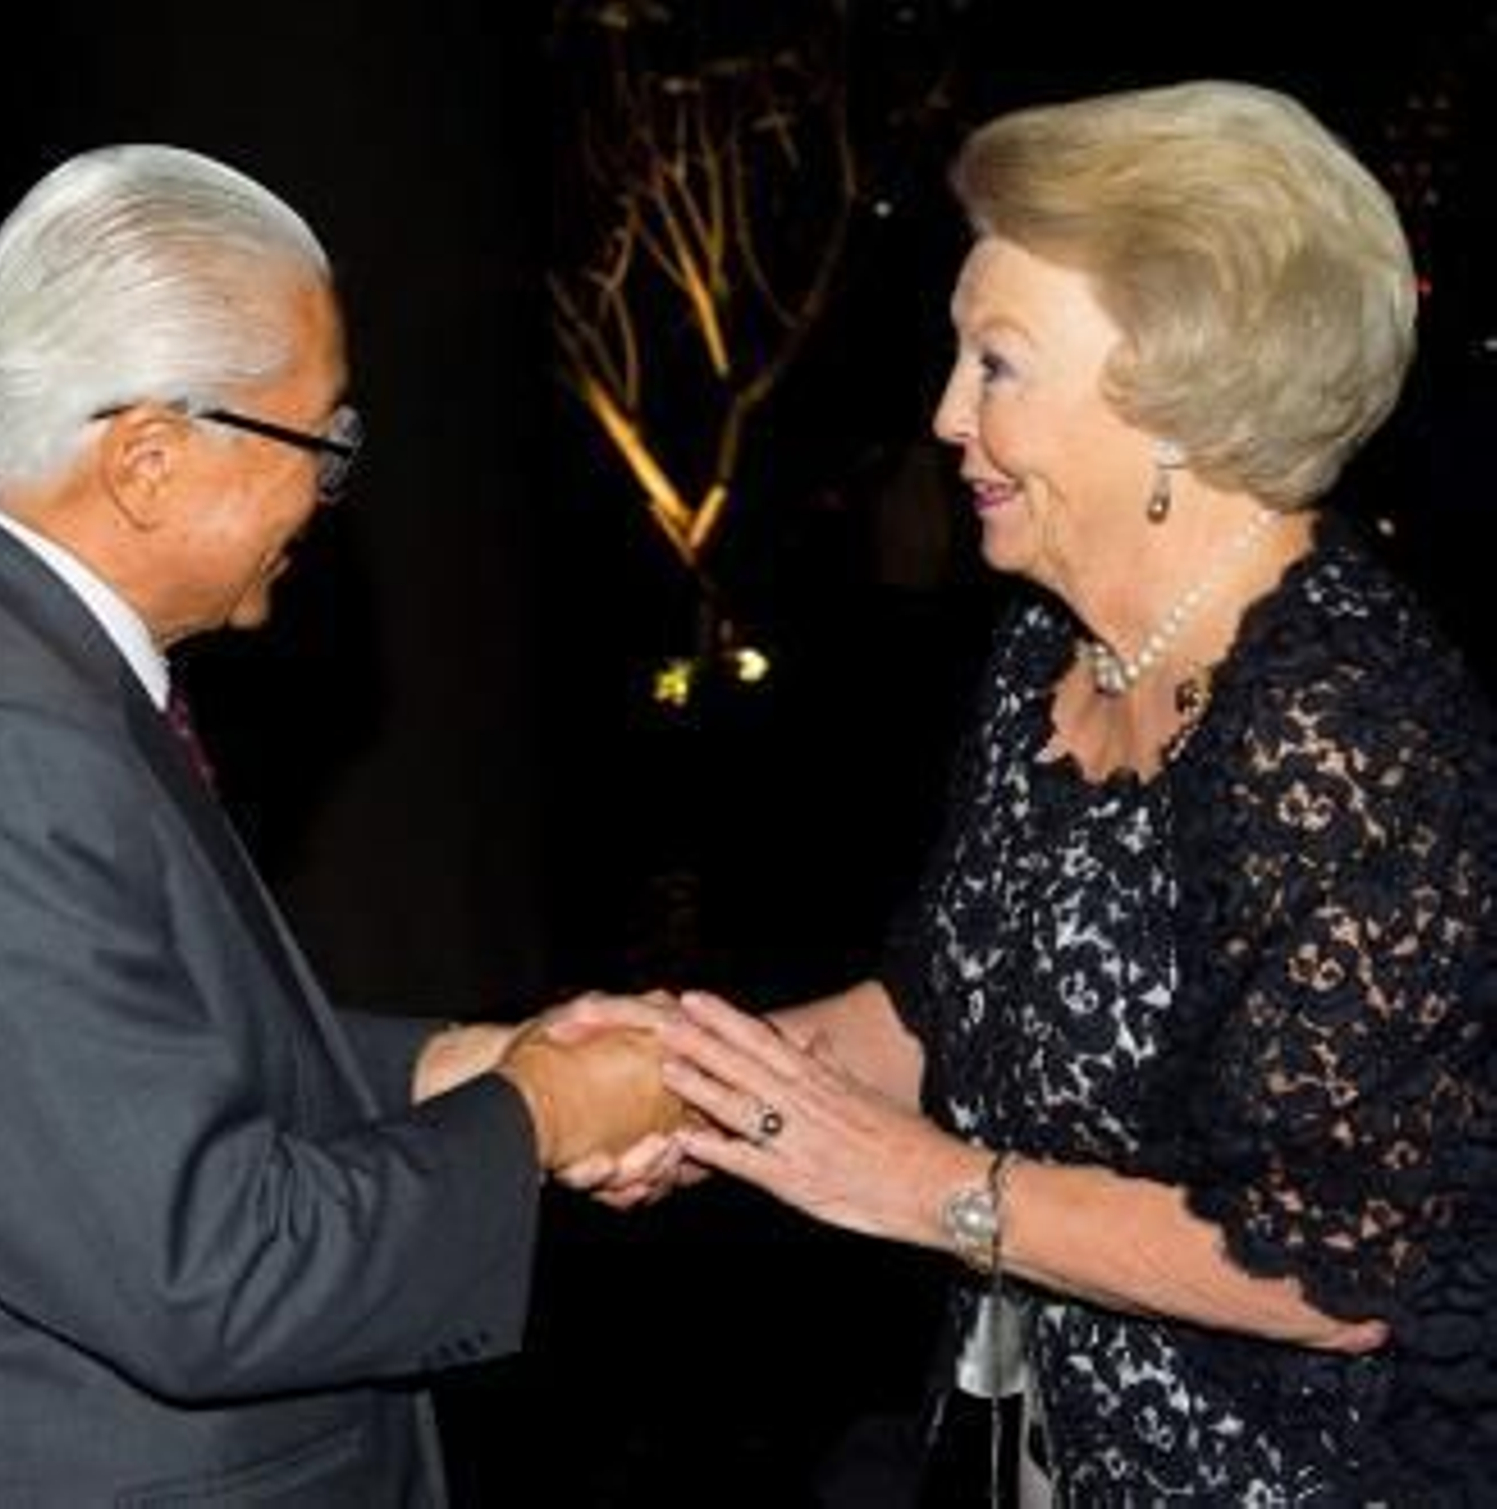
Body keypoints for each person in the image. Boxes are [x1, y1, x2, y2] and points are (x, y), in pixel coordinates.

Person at [586, 79, 1497, 1502]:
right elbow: (944, 1009)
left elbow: (1333, 1263)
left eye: (997, 364)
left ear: (1180, 395)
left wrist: (920, 1186)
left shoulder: (1352, 733)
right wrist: (679, 1080)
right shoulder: (1049, 660)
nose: (946, 414)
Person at [0, 143, 681, 1503]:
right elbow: (207, 1273)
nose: (330, 488)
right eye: (324, 439)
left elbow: (128, 1053)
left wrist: (447, 1065)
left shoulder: (9, 660)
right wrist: (537, 1118)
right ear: (147, 460)